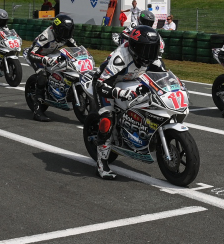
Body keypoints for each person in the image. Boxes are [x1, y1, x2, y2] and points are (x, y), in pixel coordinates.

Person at [92, 25, 164, 179]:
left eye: (153, 49)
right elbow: (100, 84)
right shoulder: (120, 58)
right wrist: (120, 93)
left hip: (131, 80)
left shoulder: (151, 57)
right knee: (107, 120)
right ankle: (101, 164)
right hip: (107, 84)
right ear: (135, 48)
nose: (150, 54)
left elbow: (163, 75)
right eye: (146, 49)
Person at [27, 13, 77, 120]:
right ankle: (37, 111)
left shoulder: (66, 36)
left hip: (52, 54)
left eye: (69, 31)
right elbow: (31, 53)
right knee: (42, 76)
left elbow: (76, 49)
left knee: (71, 65)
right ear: (57, 29)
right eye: (64, 31)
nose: (67, 34)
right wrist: (44, 59)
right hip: (38, 56)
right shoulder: (45, 36)